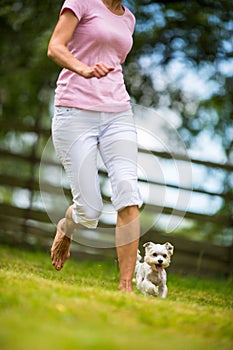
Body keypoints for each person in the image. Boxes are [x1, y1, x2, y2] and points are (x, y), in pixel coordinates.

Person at [47, 0, 143, 292]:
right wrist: (84, 69)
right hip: (74, 110)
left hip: (117, 111)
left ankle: (125, 286)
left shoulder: (129, 19)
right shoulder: (81, 2)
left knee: (128, 190)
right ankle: (68, 226)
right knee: (90, 210)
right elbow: (55, 47)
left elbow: (115, 61)